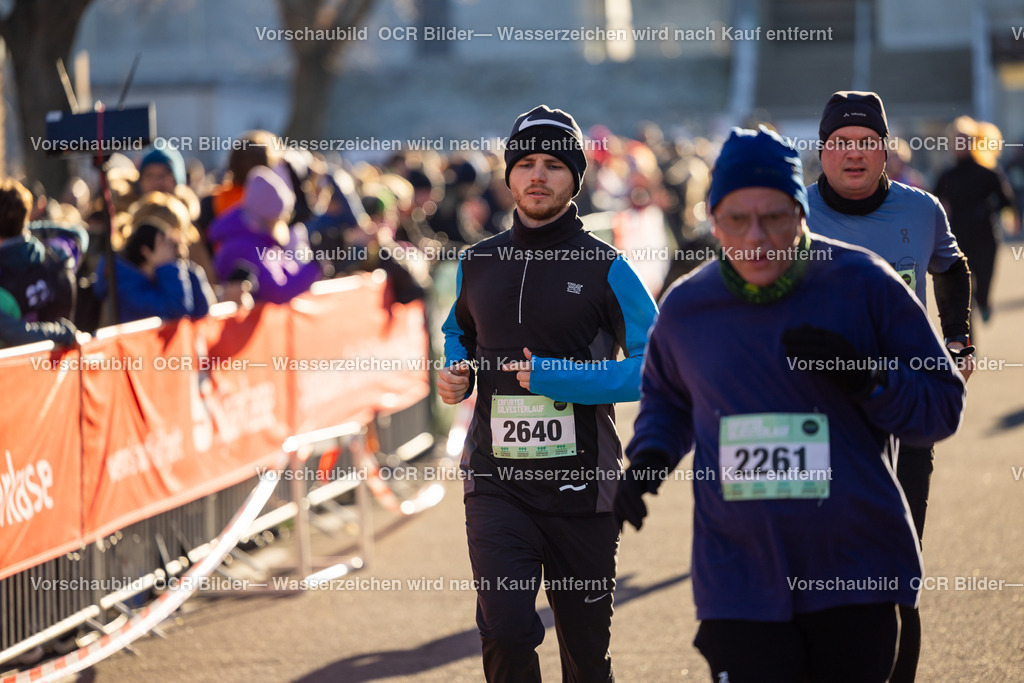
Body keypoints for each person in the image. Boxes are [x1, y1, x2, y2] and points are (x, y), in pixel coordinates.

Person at [616, 127, 966, 681]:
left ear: (802, 214)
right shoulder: (687, 308)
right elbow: (668, 401)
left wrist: (867, 378)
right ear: (712, 219)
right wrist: (649, 461)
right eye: (736, 219)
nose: (756, 237)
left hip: (853, 573)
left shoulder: (863, 285)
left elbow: (942, 407)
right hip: (738, 581)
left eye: (775, 217)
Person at [437, 105, 658, 682]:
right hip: (495, 482)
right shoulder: (478, 262)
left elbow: (654, 368)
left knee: (586, 659)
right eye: (526, 163)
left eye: (554, 165)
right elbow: (457, 331)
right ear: (508, 175)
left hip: (582, 489)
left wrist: (559, 377)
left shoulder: (606, 266)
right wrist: (455, 371)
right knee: (506, 630)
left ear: (576, 178)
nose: (538, 175)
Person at [805, 91, 974, 682]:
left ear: (885, 152)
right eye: (841, 144)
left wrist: (959, 342)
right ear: (822, 152)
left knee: (898, 562)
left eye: (866, 143)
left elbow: (951, 270)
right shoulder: (789, 217)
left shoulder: (921, 211)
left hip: (904, 404)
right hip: (816, 416)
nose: (854, 155)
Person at [935, 116, 1019, 324]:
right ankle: (967, 344)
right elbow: (933, 203)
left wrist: (987, 209)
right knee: (963, 295)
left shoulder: (988, 173)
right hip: (958, 239)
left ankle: (984, 301)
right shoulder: (947, 175)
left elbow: (1006, 201)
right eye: (957, 141)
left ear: (973, 142)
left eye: (964, 140)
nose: (960, 145)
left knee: (983, 283)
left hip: (985, 238)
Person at [208, 166, 321, 304]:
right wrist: (315, 267)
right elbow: (276, 293)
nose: (283, 223)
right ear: (267, 218)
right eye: (279, 217)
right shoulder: (243, 247)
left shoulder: (264, 242)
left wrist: (314, 264)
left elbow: (289, 273)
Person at [0, 178, 84, 347]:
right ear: (27, 216)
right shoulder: (57, 257)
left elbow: (11, 331)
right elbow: (78, 233)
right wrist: (24, 229)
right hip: (58, 365)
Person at [93, 216, 215, 324]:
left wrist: (188, 271)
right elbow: (177, 313)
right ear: (145, 252)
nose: (171, 253)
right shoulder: (125, 285)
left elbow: (202, 311)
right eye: (163, 244)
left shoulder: (155, 280)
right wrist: (168, 267)